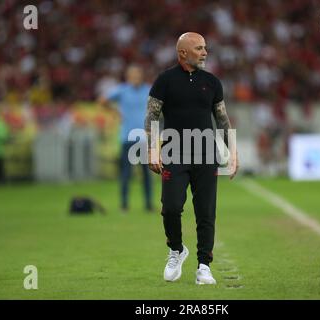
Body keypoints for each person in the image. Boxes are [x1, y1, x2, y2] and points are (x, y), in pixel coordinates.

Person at [144, 32, 238, 285]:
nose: (205, 52)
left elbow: (222, 118)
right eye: (199, 48)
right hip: (174, 152)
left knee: (206, 212)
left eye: (205, 47)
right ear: (182, 52)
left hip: (206, 153)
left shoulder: (212, 82)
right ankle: (176, 249)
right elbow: (152, 117)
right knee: (171, 207)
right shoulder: (165, 80)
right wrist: (152, 148)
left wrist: (233, 152)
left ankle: (204, 266)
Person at [99, 65, 153, 212]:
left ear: (141, 76)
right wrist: (115, 111)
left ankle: (148, 204)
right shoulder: (122, 90)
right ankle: (124, 205)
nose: (135, 78)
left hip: (143, 137)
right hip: (127, 137)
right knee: (126, 173)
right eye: (133, 75)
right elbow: (103, 100)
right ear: (128, 77)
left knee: (146, 173)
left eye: (138, 75)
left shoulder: (148, 89)